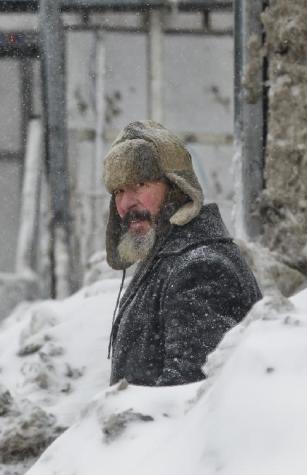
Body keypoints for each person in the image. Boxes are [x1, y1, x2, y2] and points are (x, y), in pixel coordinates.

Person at [103, 120, 261, 386]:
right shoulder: (167, 259)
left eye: (140, 184)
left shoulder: (200, 269)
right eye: (119, 190)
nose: (127, 203)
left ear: (176, 188)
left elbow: (188, 395)